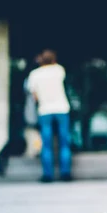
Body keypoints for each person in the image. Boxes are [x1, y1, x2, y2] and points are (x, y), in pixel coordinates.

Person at [27, 49, 72, 182]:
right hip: (61, 108)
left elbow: (34, 96)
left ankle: (48, 175)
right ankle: (65, 173)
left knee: (46, 144)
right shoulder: (59, 70)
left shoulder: (34, 74)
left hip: (45, 110)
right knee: (64, 142)